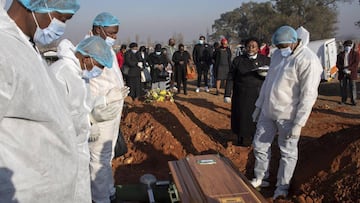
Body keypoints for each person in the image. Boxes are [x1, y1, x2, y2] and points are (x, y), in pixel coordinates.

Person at [0, 0, 81, 202]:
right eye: (60, 19)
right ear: (32, 4)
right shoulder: (4, 52)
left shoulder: (27, 48)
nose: (61, 28)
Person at [50, 36, 129, 203]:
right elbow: (56, 118)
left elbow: (83, 104)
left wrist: (105, 100)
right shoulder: (61, 74)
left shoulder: (80, 75)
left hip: (78, 145)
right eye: (99, 66)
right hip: (65, 148)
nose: (99, 71)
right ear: (87, 58)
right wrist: (89, 119)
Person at [250, 26, 323, 199]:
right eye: (279, 46)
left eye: (283, 46)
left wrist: (298, 123)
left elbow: (308, 95)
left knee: (287, 152)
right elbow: (268, 82)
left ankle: (282, 188)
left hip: (288, 115)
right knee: (260, 146)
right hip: (268, 111)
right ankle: (261, 178)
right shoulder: (276, 55)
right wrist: (258, 106)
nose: (281, 50)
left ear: (294, 41)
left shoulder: (308, 61)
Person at [87, 12, 127, 203]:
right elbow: (84, 87)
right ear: (97, 30)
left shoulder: (105, 48)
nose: (114, 38)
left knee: (107, 155)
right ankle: (100, 198)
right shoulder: (88, 49)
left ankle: (108, 192)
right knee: (98, 160)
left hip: (111, 111)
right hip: (99, 113)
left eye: (115, 34)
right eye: (111, 33)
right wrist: (91, 117)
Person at [224, 37, 270, 147]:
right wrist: (227, 94)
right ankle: (240, 139)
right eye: (248, 46)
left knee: (257, 118)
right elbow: (231, 77)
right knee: (241, 117)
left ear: (258, 48)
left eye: (253, 46)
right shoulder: (238, 60)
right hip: (241, 94)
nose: (250, 48)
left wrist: (265, 74)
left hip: (258, 94)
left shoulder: (266, 60)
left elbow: (273, 75)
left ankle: (255, 139)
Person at [336, 40, 359, 106]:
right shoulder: (340, 54)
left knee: (353, 87)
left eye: (349, 46)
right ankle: (343, 100)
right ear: (344, 46)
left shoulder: (356, 54)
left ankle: (353, 101)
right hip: (342, 73)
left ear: (351, 46)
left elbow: (356, 64)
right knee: (343, 87)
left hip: (352, 73)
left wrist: (348, 69)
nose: (347, 47)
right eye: (346, 46)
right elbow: (337, 64)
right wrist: (343, 69)